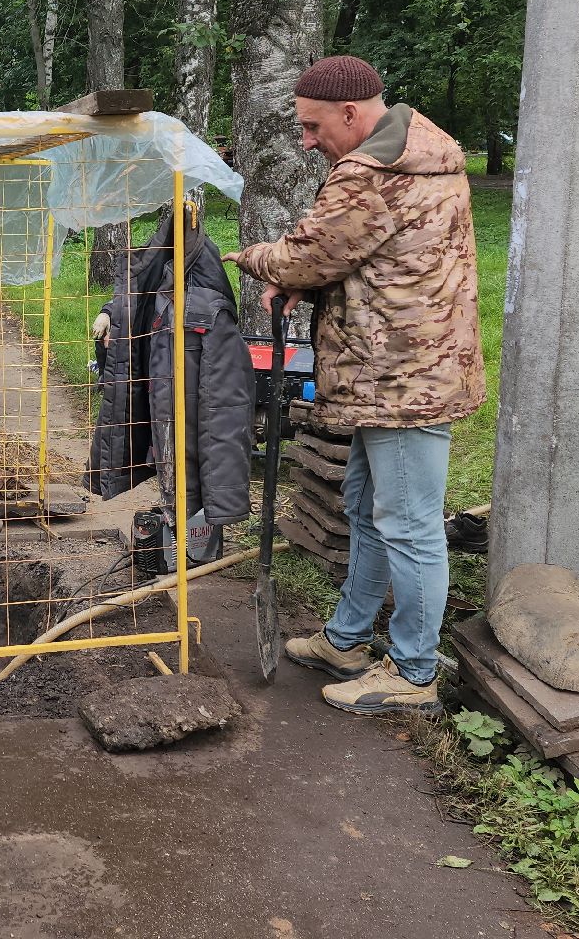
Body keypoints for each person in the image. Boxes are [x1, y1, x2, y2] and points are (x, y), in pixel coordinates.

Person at [223, 55, 484, 716]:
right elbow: (366, 255)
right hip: (403, 364)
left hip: (401, 377)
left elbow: (307, 254)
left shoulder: (373, 175)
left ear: (350, 114)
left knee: (409, 525)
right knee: (368, 509)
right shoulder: (421, 148)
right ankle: (346, 639)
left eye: (313, 129)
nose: (309, 142)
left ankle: (414, 670)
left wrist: (254, 259)